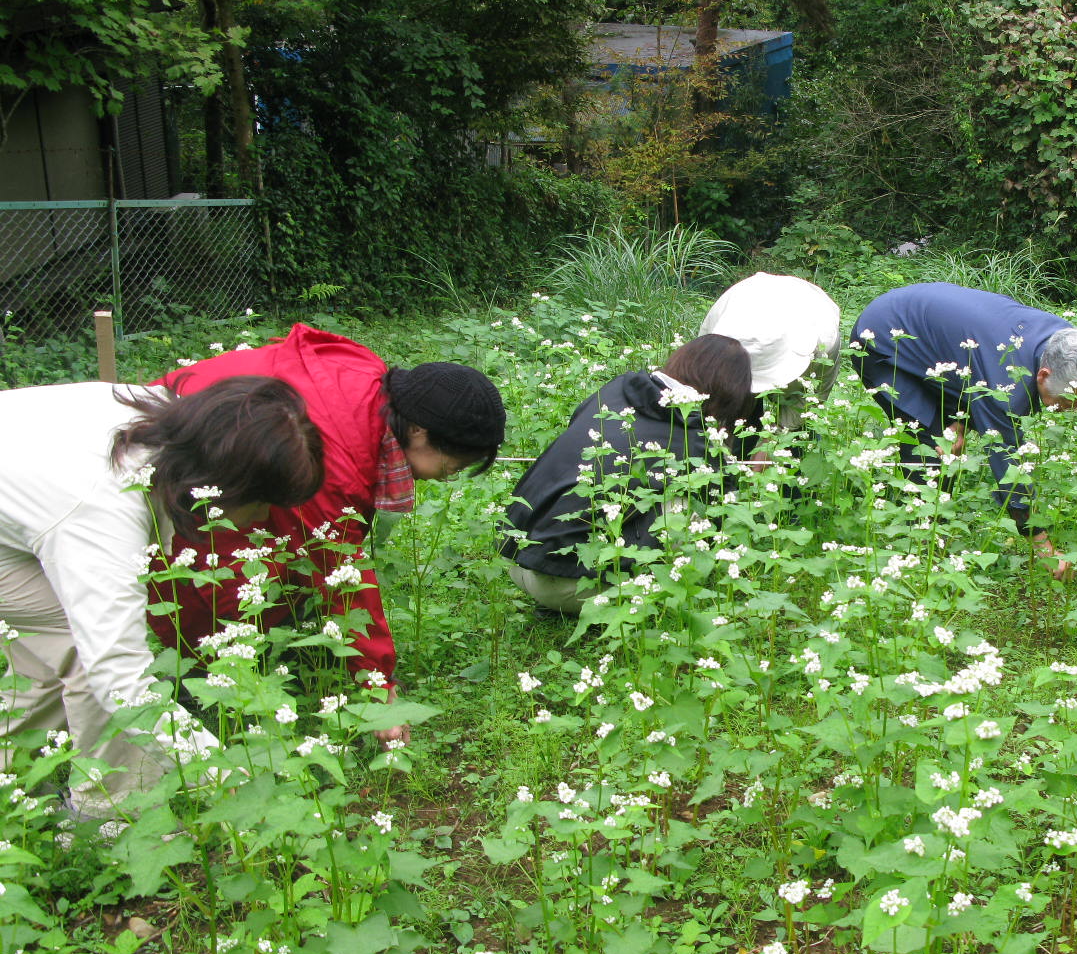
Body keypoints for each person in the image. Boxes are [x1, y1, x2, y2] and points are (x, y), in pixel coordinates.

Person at [149, 325, 505, 745]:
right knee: (225, 570)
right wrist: (378, 689)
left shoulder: (369, 387)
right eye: (456, 463)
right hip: (173, 453)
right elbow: (339, 568)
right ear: (421, 432)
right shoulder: (333, 455)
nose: (452, 476)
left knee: (278, 551)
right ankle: (201, 675)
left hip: (191, 425)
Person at [0, 376, 324, 815]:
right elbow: (119, 674)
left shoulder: (168, 419)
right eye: (263, 501)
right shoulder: (100, 509)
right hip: (53, 508)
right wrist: (221, 771)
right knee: (90, 650)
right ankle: (111, 816)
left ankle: (10, 783)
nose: (265, 516)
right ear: (225, 484)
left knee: (60, 642)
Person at [850, 283, 1077, 577]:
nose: (1072, 409)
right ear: (1044, 374)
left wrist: (962, 420)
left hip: (940, 339)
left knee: (953, 430)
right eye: (1070, 401)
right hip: (882, 341)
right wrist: (1043, 547)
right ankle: (921, 545)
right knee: (932, 441)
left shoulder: (1067, 343)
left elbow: (978, 371)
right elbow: (1008, 467)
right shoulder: (1008, 383)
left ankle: (934, 524)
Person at [500, 334, 756, 614]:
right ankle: (654, 589)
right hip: (564, 586)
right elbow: (724, 502)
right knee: (694, 507)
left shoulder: (616, 388)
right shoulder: (693, 438)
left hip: (514, 556)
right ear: (727, 392)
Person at [699, 271, 841, 436]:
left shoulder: (824, 339)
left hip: (806, 318)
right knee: (731, 424)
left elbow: (812, 398)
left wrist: (774, 437)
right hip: (737, 306)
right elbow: (710, 390)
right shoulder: (717, 327)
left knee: (800, 434)